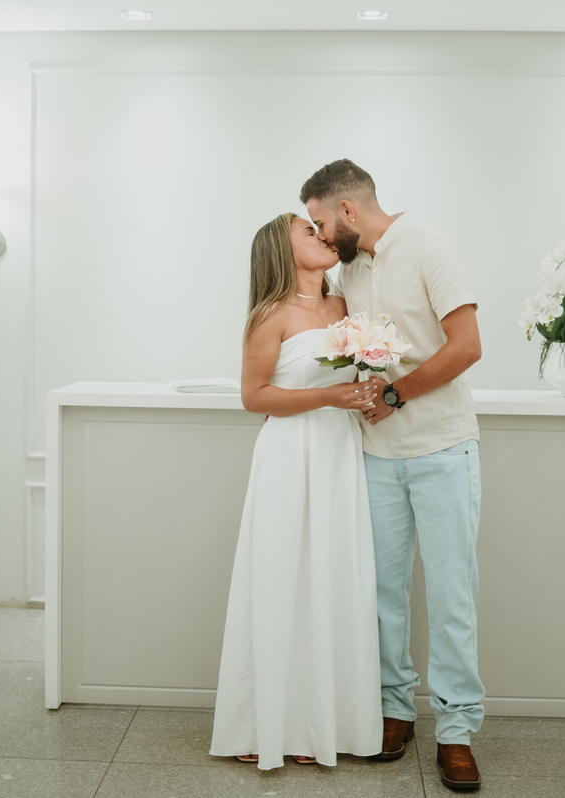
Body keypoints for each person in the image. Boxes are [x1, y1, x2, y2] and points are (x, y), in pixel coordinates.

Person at [301, 159, 485, 793]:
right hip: (376, 456)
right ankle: (395, 710)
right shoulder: (349, 271)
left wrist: (397, 394)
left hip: (443, 450)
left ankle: (456, 731)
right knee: (382, 594)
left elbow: (467, 346)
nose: (321, 236)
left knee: (452, 595)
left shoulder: (431, 248)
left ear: (348, 210)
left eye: (322, 222)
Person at [209, 212, 383, 770]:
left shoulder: (344, 305)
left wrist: (368, 389)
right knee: (281, 577)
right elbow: (254, 396)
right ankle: (265, 723)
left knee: (334, 576)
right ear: (281, 251)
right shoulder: (271, 315)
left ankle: (319, 725)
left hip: (339, 454)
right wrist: (328, 398)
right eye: (308, 231)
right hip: (288, 457)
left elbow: (357, 376)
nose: (322, 235)